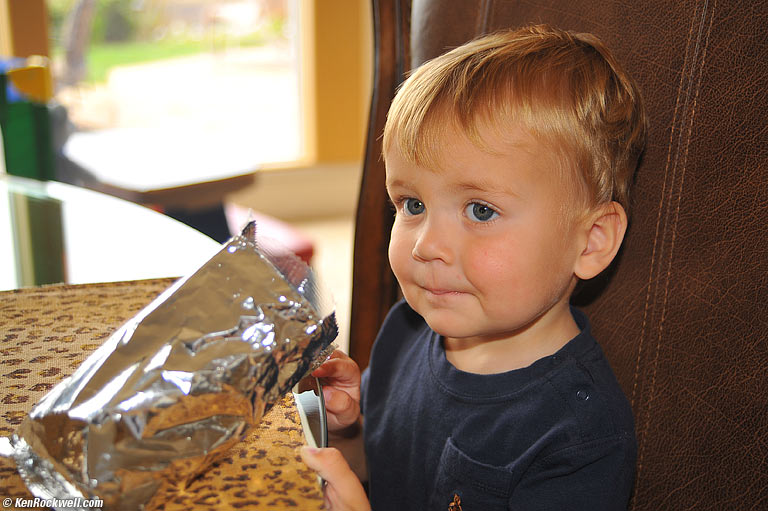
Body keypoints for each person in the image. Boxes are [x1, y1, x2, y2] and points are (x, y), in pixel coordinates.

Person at [302, 23, 647, 510]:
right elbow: (380, 470)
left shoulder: (579, 440)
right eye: (412, 205)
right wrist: (345, 433)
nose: (426, 246)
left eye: (481, 211)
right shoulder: (405, 330)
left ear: (590, 241)